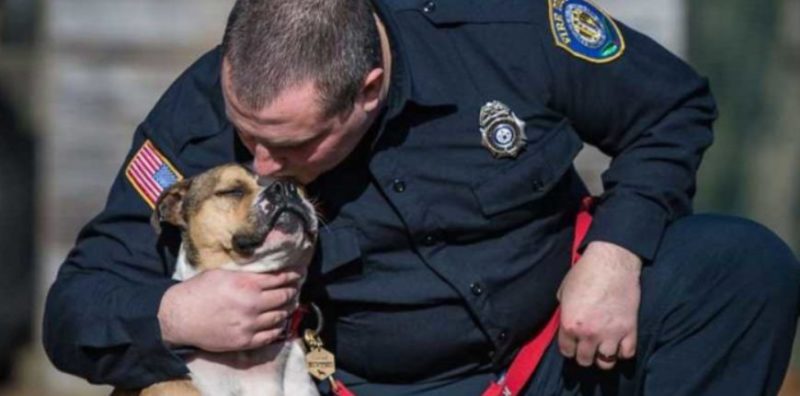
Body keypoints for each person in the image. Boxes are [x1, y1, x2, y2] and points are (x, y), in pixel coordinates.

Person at [43, 0, 800, 395]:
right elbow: (77, 307)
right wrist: (172, 315)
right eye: (248, 139)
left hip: (557, 358)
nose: (264, 163)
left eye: (295, 146)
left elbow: (671, 107)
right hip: (372, 389)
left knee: (737, 265)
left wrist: (615, 250)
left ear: (368, 89)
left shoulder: (502, 31)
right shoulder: (201, 111)